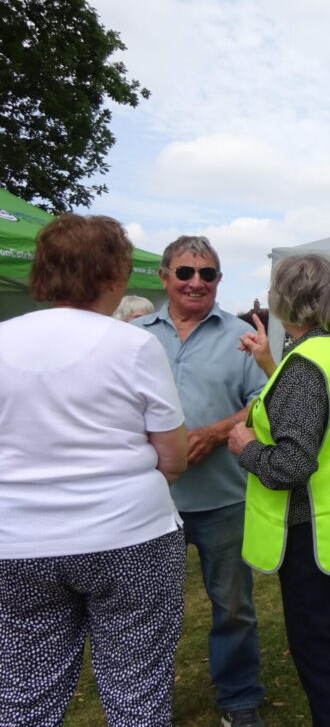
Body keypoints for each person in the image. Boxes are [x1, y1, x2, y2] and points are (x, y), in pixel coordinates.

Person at [0, 214, 188, 726]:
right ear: (117, 275)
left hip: (17, 543)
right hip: (128, 537)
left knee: (23, 699)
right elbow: (173, 456)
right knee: (136, 695)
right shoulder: (132, 345)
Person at [226, 254, 330, 727]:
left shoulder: (307, 366)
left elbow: (293, 462)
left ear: (286, 302)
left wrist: (245, 446)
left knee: (319, 657)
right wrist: (269, 364)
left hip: (310, 533)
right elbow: (317, 410)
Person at [134, 236, 268, 727]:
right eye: (186, 273)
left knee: (233, 606)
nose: (196, 283)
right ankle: (145, 703)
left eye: (207, 275)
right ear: (164, 276)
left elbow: (264, 401)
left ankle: (238, 698)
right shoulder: (135, 334)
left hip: (223, 498)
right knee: (146, 610)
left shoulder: (240, 336)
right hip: (149, 500)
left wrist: (214, 433)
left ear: (218, 281)